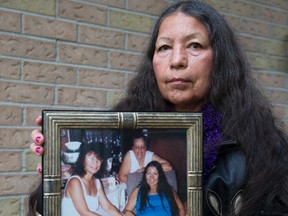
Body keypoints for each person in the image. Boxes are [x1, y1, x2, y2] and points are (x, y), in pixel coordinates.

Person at [29, 0, 288, 215]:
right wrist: (52, 169)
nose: (176, 60)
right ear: (152, 61)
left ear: (220, 59)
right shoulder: (122, 123)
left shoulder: (264, 147)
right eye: (164, 47)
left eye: (194, 45)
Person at [60, 142, 123, 216]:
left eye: (98, 159)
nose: (95, 163)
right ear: (83, 160)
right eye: (91, 158)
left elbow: (107, 206)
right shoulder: (75, 182)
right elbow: (84, 213)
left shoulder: (96, 181)